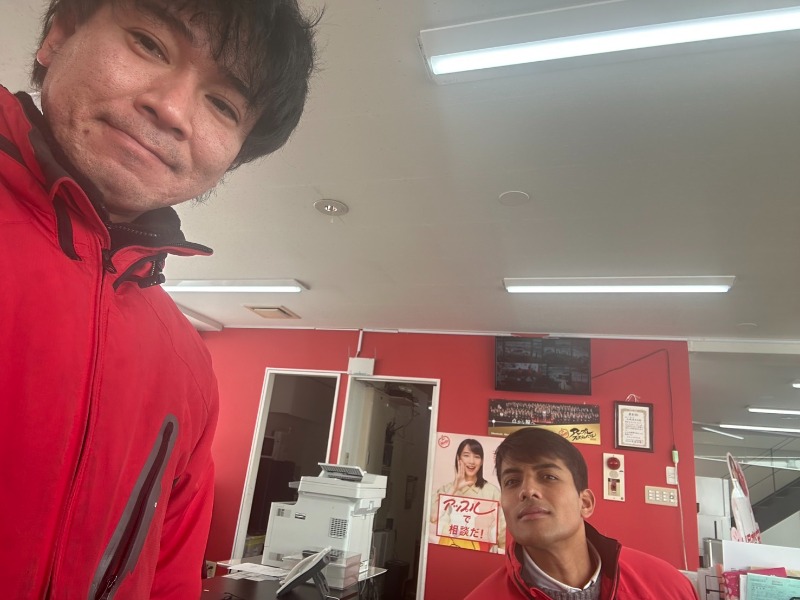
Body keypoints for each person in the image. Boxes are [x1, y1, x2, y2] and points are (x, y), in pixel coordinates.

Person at [0, 1, 317, 598]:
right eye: (149, 44)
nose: (171, 109)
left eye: (223, 104)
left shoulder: (188, 367)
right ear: (59, 35)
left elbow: (168, 576)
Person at [466, 428, 698, 600]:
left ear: (585, 503)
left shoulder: (668, 586)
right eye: (512, 481)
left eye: (548, 476)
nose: (527, 490)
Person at [430, 438, 506, 552]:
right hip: (449, 552)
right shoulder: (446, 490)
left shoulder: (493, 492)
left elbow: (503, 533)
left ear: (482, 461)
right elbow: (432, 517)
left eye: (477, 456)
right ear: (458, 458)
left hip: (482, 555)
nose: (471, 461)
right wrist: (454, 488)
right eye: (466, 455)